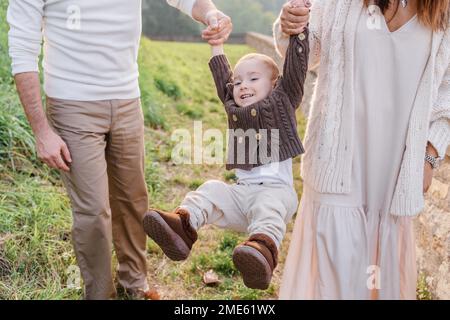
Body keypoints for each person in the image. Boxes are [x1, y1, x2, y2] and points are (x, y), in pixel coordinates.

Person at [7, 0, 231, 300]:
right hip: (72, 104)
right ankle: (99, 294)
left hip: (128, 99)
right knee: (93, 212)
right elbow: (22, 52)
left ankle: (134, 284)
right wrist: (42, 131)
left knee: (133, 199)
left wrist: (211, 14)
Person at [274, 0, 450, 299]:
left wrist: (430, 155)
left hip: (394, 173)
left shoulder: (441, 11)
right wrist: (289, 23)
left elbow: (446, 88)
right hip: (337, 163)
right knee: (332, 279)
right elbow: (306, 50)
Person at [142, 1, 311, 290]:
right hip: (241, 195)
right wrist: (217, 43)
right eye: (238, 82)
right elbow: (223, 77)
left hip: (276, 193)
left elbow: (296, 68)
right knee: (210, 189)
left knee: (267, 209)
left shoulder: (284, 99)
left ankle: (262, 252)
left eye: (253, 79)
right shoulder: (235, 106)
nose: (242, 85)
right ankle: (182, 228)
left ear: (274, 85)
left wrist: (299, 31)